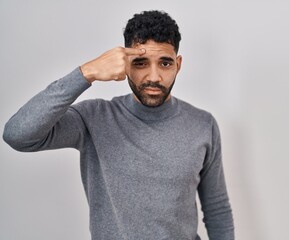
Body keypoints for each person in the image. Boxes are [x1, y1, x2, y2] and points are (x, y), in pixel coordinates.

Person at [3, 10, 234, 240]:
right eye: (141, 63)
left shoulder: (203, 124)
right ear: (125, 64)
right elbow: (18, 135)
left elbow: (217, 209)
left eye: (165, 63)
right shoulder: (94, 118)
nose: (153, 77)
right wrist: (87, 73)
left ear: (178, 64)